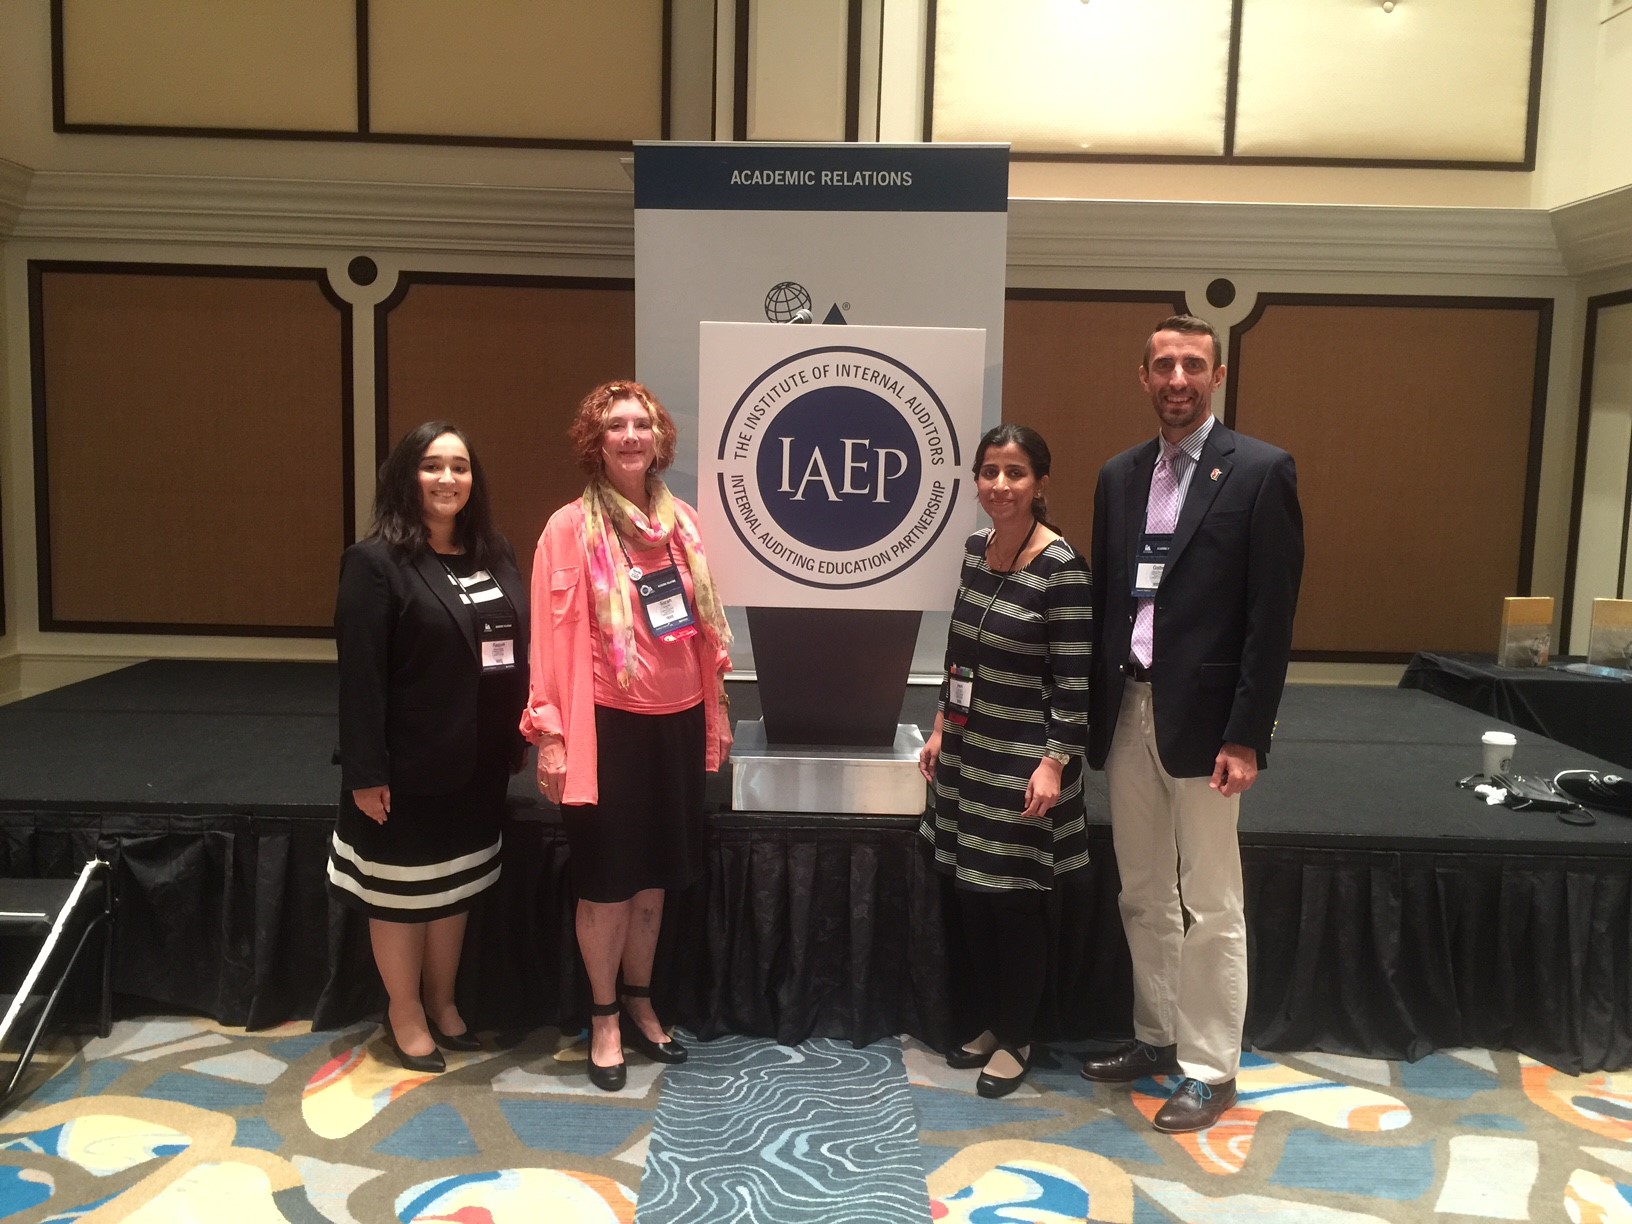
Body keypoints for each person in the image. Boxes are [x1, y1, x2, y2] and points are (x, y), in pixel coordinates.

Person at [1082, 315, 1304, 1133]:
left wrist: (1247, 734)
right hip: (1130, 707)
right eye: (1163, 365)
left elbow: (1268, 619)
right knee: (1141, 891)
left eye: (1192, 365)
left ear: (1215, 375)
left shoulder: (1260, 471)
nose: (1177, 378)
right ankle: (1157, 1034)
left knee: (1211, 902)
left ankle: (1210, 1068)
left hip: (1210, 727)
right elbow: (1113, 603)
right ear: (1143, 377)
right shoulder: (1118, 475)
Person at [524, 379, 733, 1092]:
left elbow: (703, 634)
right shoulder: (566, 530)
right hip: (603, 727)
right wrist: (550, 735)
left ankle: (643, 1004)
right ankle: (605, 1015)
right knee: (607, 883)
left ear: (659, 437)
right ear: (596, 440)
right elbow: (547, 645)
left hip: (675, 722)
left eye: (641, 424)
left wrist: (717, 712)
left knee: (653, 883)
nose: (631, 436)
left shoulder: (686, 524)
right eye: (616, 425)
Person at [331, 421, 529, 1074]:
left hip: (478, 765)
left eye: (461, 467)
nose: (448, 479)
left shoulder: (492, 552)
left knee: (454, 887)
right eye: (432, 466)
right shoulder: (374, 563)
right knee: (402, 896)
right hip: (405, 769)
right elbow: (360, 678)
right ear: (405, 477)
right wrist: (365, 771)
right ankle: (405, 1012)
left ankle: (443, 1001)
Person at [917, 424, 1092, 1099]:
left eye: (1015, 473)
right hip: (968, 753)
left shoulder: (1062, 567)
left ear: (1040, 484)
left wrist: (1054, 764)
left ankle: (1017, 1038)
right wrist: (938, 727)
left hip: (1023, 763)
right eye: (989, 471)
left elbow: (1075, 682)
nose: (999, 485)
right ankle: (993, 1022)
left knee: (1013, 904)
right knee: (973, 898)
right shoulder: (974, 551)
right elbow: (959, 655)